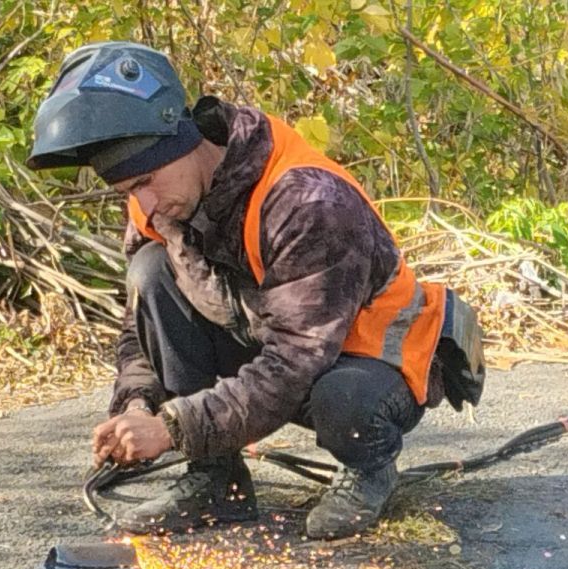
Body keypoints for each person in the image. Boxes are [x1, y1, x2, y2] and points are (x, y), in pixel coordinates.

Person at [27, 42, 485, 539]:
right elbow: (142, 328)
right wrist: (139, 404)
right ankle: (216, 482)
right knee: (149, 271)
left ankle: (369, 468)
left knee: (343, 400)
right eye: (128, 193)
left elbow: (296, 360)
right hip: (270, 339)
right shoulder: (161, 202)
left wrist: (174, 427)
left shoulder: (307, 201)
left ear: (185, 142)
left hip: (366, 360)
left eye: (147, 181)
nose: (145, 204)